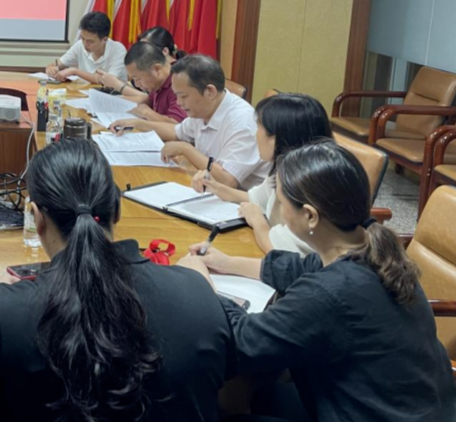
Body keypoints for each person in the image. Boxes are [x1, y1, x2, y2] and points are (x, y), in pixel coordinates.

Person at [0, 139, 233, 422]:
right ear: (117, 208)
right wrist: (199, 285)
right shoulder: (197, 293)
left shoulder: (8, 309)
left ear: (36, 217)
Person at [178, 140, 456, 422]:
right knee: (256, 391)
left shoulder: (330, 292)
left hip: (369, 411)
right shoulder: (372, 247)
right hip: (414, 405)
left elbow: (244, 343)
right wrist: (225, 263)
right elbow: (297, 267)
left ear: (310, 215)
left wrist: (198, 283)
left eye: (282, 203)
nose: (280, 211)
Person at [111, 54, 268, 190]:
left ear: (210, 92)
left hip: (243, 204)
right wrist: (138, 124)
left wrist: (186, 149)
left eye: (183, 96)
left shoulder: (242, 123)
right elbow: (176, 132)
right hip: (209, 189)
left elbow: (228, 181)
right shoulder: (205, 107)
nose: (179, 102)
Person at [203, 93, 332, 255]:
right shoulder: (285, 168)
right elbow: (254, 198)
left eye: (259, 128)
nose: (255, 135)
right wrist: (214, 187)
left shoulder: (307, 184)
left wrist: (258, 221)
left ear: (279, 137)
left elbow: (281, 251)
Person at [105, 41, 187, 123]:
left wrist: (147, 113)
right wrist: (113, 102)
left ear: (157, 69)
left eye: (138, 78)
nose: (136, 84)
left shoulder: (179, 83)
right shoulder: (157, 82)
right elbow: (148, 100)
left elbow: (175, 125)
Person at [44, 11, 127, 83]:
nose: (85, 44)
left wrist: (75, 71)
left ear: (104, 40)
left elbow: (108, 81)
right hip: (84, 93)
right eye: (83, 38)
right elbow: (58, 64)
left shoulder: (118, 50)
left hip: (112, 95)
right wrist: (51, 67)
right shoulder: (80, 45)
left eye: (90, 41)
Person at [96, 25, 183, 93]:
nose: (140, 53)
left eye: (145, 48)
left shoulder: (176, 76)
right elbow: (134, 86)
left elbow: (147, 99)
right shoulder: (148, 70)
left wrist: (116, 84)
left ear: (165, 51)